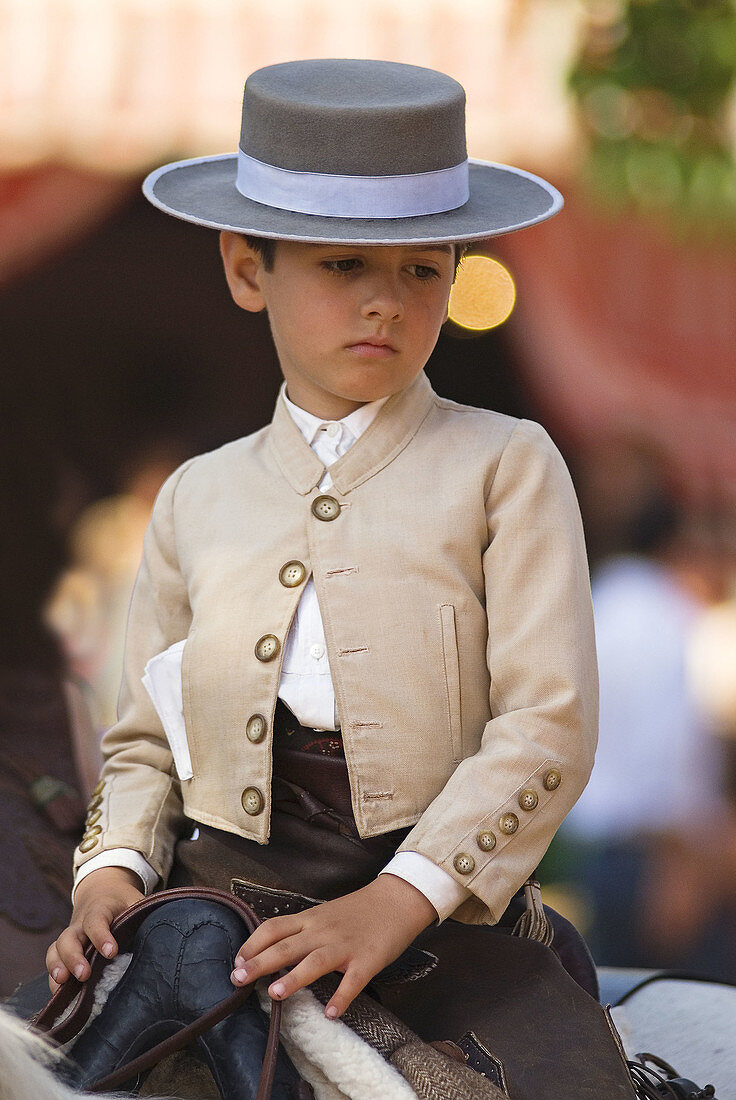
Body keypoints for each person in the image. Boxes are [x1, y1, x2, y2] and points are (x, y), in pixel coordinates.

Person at [45, 59, 597, 1044]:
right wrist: (111, 873)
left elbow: (546, 723)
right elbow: (142, 742)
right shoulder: (194, 496)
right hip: (204, 908)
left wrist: (398, 896)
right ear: (247, 269)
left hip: (441, 927)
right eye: (342, 265)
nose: (384, 301)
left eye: (421, 269)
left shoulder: (505, 464)